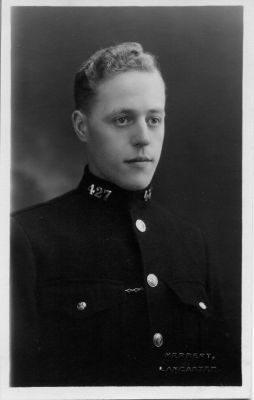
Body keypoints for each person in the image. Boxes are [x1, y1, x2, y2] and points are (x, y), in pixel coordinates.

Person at [10, 42, 240, 387]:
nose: (143, 139)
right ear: (82, 126)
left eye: (154, 119)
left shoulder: (192, 244)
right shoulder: (26, 238)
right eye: (122, 119)